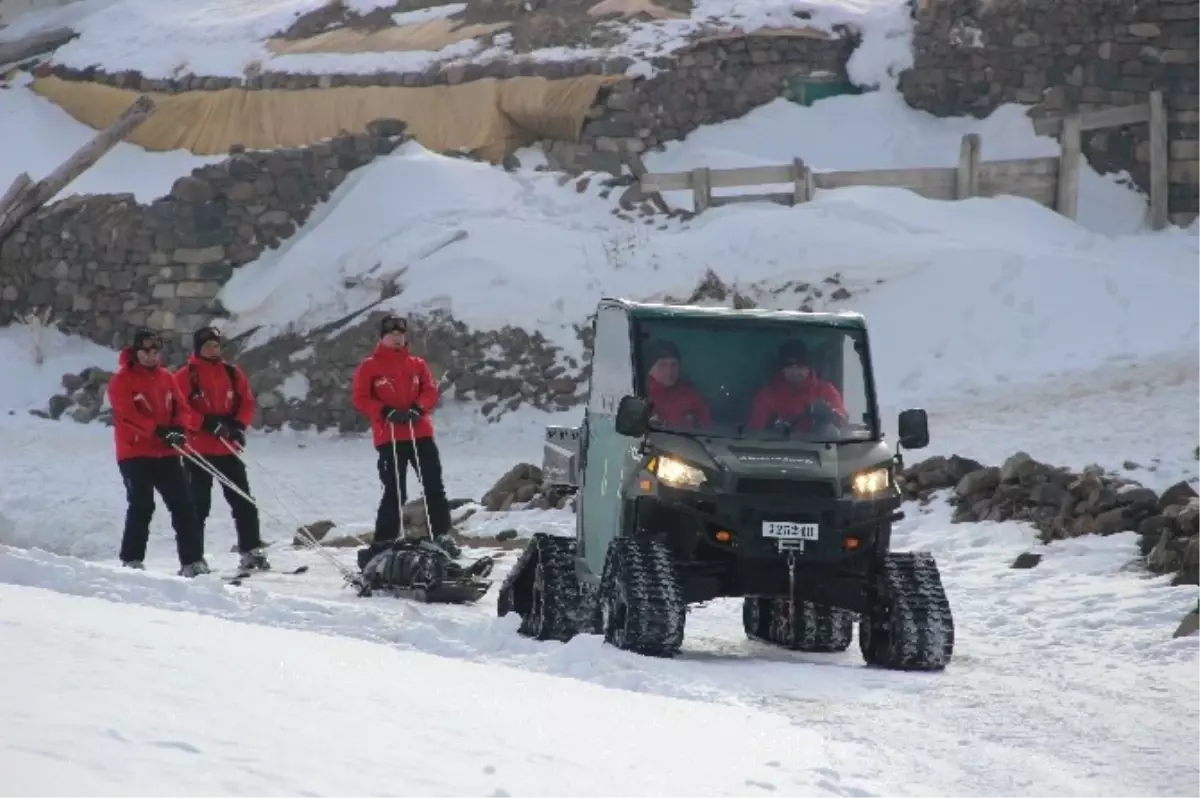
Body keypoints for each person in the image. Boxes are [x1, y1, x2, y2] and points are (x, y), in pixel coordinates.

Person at [351, 314, 458, 556]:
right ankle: (383, 543)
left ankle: (441, 535)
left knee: (433, 486)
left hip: (419, 433)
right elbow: (360, 398)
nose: (397, 339)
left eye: (401, 335)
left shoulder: (417, 364)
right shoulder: (370, 366)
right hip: (389, 437)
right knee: (395, 491)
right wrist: (384, 411)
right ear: (383, 338)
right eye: (392, 335)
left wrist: (418, 407)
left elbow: (430, 391)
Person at [106, 328, 209, 577]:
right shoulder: (122, 380)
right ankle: (132, 559)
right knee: (142, 504)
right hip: (135, 452)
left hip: (166, 452)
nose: (151, 356)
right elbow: (127, 414)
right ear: (136, 352)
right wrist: (157, 430)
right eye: (146, 351)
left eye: (155, 351)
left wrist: (178, 429)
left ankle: (192, 561)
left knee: (183, 504)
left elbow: (181, 407)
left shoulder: (166, 377)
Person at [173, 325, 270, 572]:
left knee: (244, 501)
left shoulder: (232, 372)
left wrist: (237, 425)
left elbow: (246, 401)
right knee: (198, 506)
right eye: (208, 346)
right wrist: (205, 423)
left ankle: (250, 549)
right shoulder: (186, 375)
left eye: (216, 345)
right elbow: (179, 409)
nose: (213, 349)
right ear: (198, 348)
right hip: (198, 449)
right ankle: (193, 559)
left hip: (227, 446)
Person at [747, 339, 848, 432]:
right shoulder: (766, 396)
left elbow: (842, 426)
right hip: (777, 449)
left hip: (819, 449)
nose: (795, 372)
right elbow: (754, 433)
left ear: (809, 366)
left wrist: (829, 413)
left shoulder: (827, 391)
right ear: (782, 369)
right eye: (789, 367)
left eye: (800, 366)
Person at [643, 339, 712, 429]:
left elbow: (708, 429)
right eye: (662, 365)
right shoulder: (642, 395)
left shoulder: (691, 395)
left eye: (673, 365)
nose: (669, 371)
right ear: (650, 370)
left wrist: (696, 424)